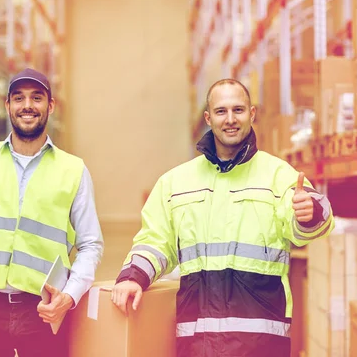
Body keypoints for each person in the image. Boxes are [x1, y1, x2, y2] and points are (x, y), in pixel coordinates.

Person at [111, 79, 334, 357]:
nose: (230, 119)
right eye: (221, 111)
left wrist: (309, 213)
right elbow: (155, 241)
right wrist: (134, 277)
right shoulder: (175, 182)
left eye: (238, 110)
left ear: (252, 114)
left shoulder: (278, 175)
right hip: (197, 340)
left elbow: (310, 225)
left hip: (260, 341)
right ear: (208, 118)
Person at [0, 67, 104, 357]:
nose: (27, 106)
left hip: (42, 308)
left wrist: (69, 297)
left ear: (50, 106)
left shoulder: (73, 170)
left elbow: (91, 244)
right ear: (8, 106)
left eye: (36, 98)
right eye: (19, 98)